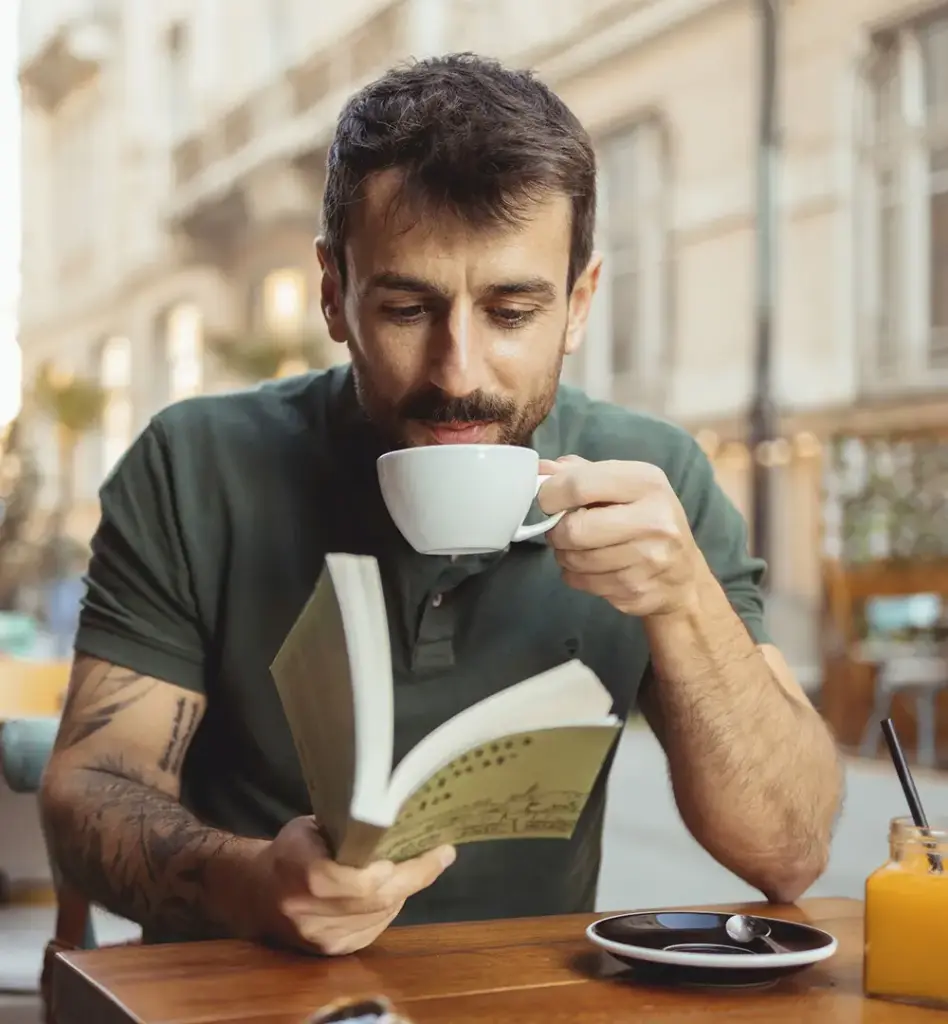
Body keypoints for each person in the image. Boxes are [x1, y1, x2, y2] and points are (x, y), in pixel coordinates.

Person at [40, 53, 842, 956]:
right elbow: (87, 788)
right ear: (334, 295)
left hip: (527, 1002)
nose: (458, 375)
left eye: (511, 312)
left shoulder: (659, 475)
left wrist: (687, 602)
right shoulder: (193, 463)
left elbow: (792, 852)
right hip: (239, 992)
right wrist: (249, 882)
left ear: (578, 304)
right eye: (410, 308)